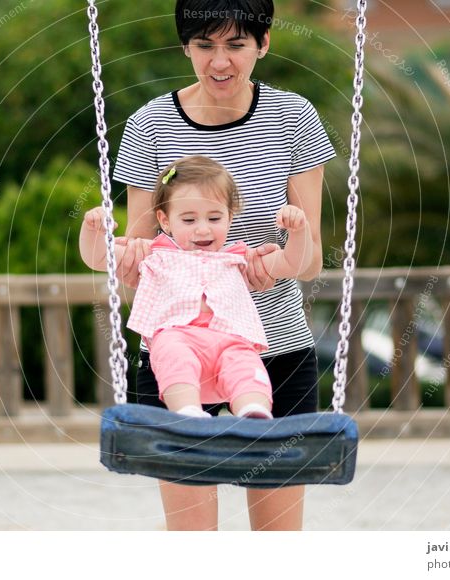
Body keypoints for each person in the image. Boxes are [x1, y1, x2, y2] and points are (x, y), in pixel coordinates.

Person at [111, 0, 336, 530]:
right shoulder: (150, 125)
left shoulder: (294, 118)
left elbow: (310, 259)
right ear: (185, 47)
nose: (220, 62)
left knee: (277, 545)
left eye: (235, 45)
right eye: (205, 45)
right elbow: (139, 255)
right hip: (176, 355)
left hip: (272, 346)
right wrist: (126, 268)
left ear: (263, 44)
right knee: (194, 544)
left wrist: (275, 265)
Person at [80, 156, 312, 421]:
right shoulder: (153, 256)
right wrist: (93, 231)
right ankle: (188, 413)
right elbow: (98, 257)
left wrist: (299, 231)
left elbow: (294, 263)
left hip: (229, 342)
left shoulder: (239, 259)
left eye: (214, 217)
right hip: (179, 338)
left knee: (245, 362)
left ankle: (253, 412)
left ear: (229, 217)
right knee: (172, 351)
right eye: (189, 220)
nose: (203, 229)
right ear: (165, 221)